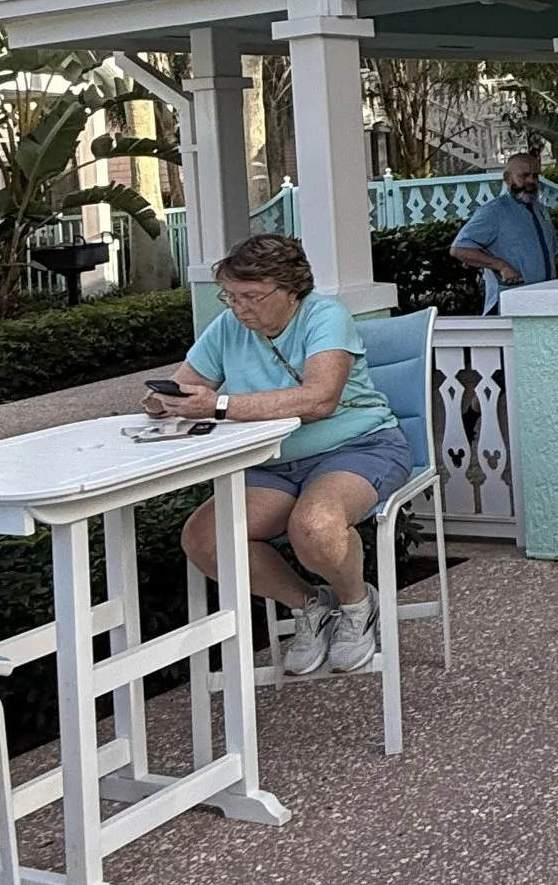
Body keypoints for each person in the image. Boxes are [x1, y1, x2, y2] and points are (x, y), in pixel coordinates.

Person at [160, 233, 413, 676]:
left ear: (291, 291)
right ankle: (309, 605)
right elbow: (187, 381)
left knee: (315, 526)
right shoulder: (228, 327)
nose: (238, 308)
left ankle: (357, 606)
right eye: (231, 296)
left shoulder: (326, 316)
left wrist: (219, 405)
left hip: (358, 447)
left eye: (251, 297)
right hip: (273, 463)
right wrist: (164, 400)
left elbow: (320, 401)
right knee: (204, 539)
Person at [450, 144, 558, 312]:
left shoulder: (541, 210)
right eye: (524, 176)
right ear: (508, 178)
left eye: (535, 176)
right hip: (512, 304)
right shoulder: (494, 211)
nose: (531, 181)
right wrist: (501, 266)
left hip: (546, 301)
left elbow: (554, 254)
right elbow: (459, 249)